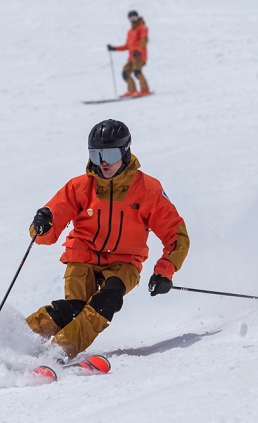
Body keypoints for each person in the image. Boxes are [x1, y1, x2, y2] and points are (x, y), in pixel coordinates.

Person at [25, 119, 190, 360]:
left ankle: (59, 351)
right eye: (96, 154)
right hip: (83, 256)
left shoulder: (147, 190)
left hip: (125, 262)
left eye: (110, 154)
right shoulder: (80, 187)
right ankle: (17, 339)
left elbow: (175, 234)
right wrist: (42, 224)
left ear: (125, 152)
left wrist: (165, 271)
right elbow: (46, 233)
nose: (103, 162)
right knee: (74, 307)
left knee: (109, 297)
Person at [107, 10, 150, 97]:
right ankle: (132, 90)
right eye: (131, 18)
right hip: (132, 57)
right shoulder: (130, 32)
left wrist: (139, 51)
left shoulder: (142, 27)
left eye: (135, 17)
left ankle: (145, 90)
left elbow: (144, 40)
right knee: (125, 72)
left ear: (138, 17)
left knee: (137, 71)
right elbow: (127, 46)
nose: (133, 19)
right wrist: (114, 48)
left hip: (139, 55)